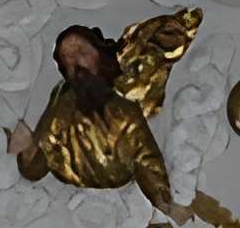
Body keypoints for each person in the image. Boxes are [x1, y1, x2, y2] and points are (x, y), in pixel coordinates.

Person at [9, 24, 173, 208]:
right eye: (68, 58)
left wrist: (162, 197)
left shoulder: (125, 103)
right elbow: (39, 161)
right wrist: (27, 149)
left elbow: (145, 157)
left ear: (100, 55)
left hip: (121, 196)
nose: (76, 62)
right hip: (71, 200)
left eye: (82, 51)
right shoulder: (62, 102)